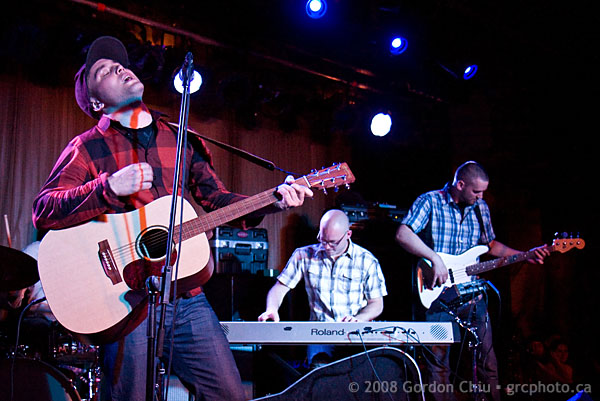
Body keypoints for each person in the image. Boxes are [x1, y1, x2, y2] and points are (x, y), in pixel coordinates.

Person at [32, 36, 313, 401]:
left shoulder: (182, 139)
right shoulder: (86, 147)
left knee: (229, 394)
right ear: (96, 101)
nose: (120, 67)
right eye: (103, 70)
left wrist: (272, 202)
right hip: (124, 303)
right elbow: (44, 209)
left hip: (185, 297)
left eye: (120, 63)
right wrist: (107, 188)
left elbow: (217, 201)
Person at [395, 161, 549, 401]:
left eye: (483, 192)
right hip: (438, 296)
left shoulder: (481, 208)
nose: (480, 196)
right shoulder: (430, 201)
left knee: (487, 361)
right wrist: (434, 258)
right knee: (439, 364)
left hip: (471, 295)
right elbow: (403, 234)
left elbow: (490, 246)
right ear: (460, 184)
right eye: (476, 191)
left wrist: (525, 254)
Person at [258, 209, 387, 367]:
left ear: (348, 235)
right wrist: (272, 308)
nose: (326, 246)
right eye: (322, 239)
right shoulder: (303, 255)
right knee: (319, 380)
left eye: (332, 242)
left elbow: (376, 304)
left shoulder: (367, 261)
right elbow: (280, 288)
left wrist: (358, 319)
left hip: (354, 336)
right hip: (319, 334)